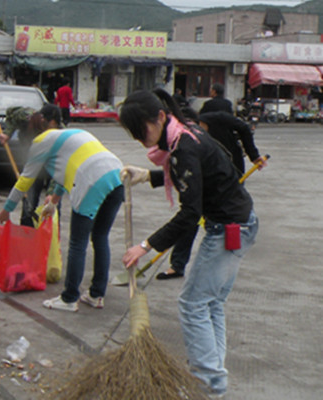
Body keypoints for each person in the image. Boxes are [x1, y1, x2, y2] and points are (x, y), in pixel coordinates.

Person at [119, 88, 259, 398]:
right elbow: (192, 174)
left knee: (192, 304)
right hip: (240, 222)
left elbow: (189, 213)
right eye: (135, 134)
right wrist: (149, 176)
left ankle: (208, 385)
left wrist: (146, 245)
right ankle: (213, 377)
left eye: (142, 130)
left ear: (159, 117)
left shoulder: (183, 146)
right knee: (210, 304)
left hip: (228, 229)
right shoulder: (186, 131)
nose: (142, 139)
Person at [0, 104, 123, 312]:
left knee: (77, 242)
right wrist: (54, 201)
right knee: (100, 237)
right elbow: (69, 169)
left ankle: (69, 298)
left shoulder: (40, 142)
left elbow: (24, 181)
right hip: (118, 175)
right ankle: (96, 295)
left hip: (91, 181)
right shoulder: (74, 134)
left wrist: (6, 209)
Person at [152, 108, 267, 281]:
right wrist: (149, 176)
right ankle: (178, 264)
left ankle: (178, 264)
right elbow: (191, 173)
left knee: (195, 300)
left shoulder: (205, 129)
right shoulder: (195, 139)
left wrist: (253, 155)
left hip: (227, 193)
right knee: (191, 222)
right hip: (218, 190)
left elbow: (244, 128)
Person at [2, 105, 62, 227]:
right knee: (29, 199)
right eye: (52, 125)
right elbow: (10, 113)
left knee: (53, 204)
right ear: (43, 120)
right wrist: (7, 134)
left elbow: (60, 172)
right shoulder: (26, 116)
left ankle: (50, 237)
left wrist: (51, 194)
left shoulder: (61, 133)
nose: (53, 129)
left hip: (51, 165)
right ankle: (27, 232)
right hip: (33, 160)